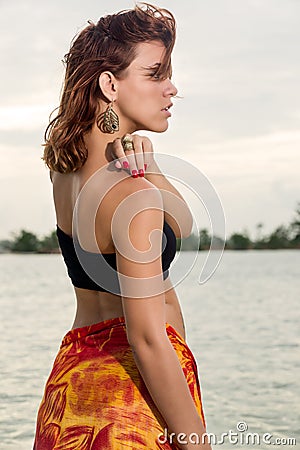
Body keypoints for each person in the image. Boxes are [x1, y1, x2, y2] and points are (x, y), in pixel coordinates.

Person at [33, 4, 212, 449]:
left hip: (71, 387)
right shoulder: (132, 199)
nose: (172, 89)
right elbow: (148, 340)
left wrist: (148, 166)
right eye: (155, 74)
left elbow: (183, 224)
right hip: (129, 405)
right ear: (110, 84)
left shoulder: (66, 169)